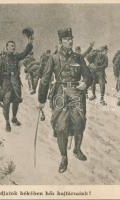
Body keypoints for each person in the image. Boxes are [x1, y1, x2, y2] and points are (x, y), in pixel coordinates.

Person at [38, 27, 92, 173]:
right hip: (60, 95)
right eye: (66, 39)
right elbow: (45, 79)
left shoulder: (79, 57)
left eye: (71, 39)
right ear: (60, 41)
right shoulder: (53, 58)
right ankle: (63, 157)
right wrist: (41, 100)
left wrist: (85, 83)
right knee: (61, 127)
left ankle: (77, 149)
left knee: (79, 123)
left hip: (76, 94)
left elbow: (88, 75)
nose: (70, 41)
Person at [0, 34, 33, 132]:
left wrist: (29, 43)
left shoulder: (16, 56)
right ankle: (7, 122)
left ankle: (14, 118)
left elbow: (24, 53)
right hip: (6, 84)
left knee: (16, 101)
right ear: (7, 47)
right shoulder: (2, 58)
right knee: (7, 103)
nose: (13, 47)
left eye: (14, 46)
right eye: (11, 46)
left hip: (16, 83)